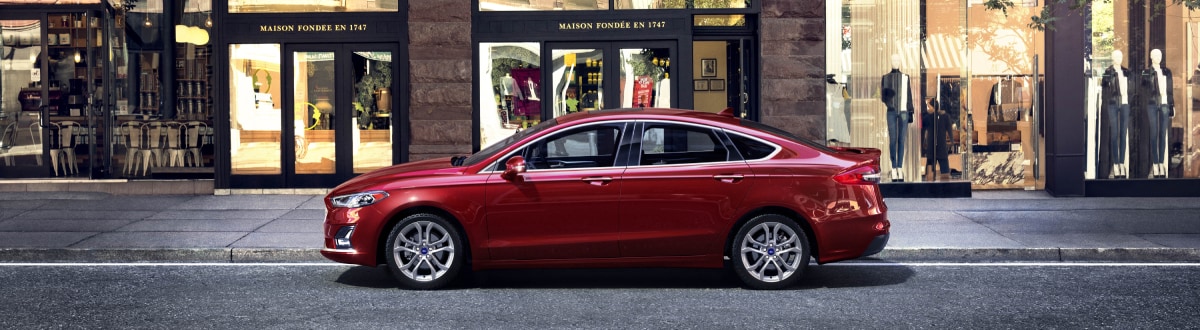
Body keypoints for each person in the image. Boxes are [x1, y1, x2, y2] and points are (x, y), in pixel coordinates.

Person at [880, 54, 915, 182]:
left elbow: (909, 95)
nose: (895, 62)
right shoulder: (886, 78)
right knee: (893, 140)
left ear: (900, 61)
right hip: (891, 111)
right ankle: (893, 167)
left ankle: (900, 167)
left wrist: (911, 111)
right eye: (893, 59)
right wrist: (890, 102)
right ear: (890, 61)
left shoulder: (906, 77)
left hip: (904, 112)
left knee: (901, 140)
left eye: (897, 60)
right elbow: (883, 96)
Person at [1141, 49, 1174, 178]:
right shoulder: (1146, 72)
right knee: (1154, 134)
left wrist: (1172, 105)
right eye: (1155, 55)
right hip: (1152, 105)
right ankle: (1155, 163)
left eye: (1160, 55)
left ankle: (1161, 163)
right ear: (1150, 57)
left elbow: (1170, 90)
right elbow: (1143, 91)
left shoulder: (1167, 72)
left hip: (1165, 104)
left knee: (1162, 134)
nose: (1158, 57)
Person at [1100, 50, 1131, 179]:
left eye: (1120, 56)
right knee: (1114, 134)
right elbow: (1105, 89)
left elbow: (1131, 88)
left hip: (1124, 104)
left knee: (1123, 134)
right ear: (1112, 58)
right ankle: (1115, 163)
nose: (1118, 58)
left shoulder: (1126, 72)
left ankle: (1122, 163)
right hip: (1112, 104)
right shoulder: (1108, 72)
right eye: (1116, 56)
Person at [922, 97, 952, 181]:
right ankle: (945, 185)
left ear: (932, 107)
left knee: (932, 168)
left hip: (933, 147)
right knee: (943, 167)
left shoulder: (928, 117)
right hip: (939, 146)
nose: (928, 108)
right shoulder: (944, 116)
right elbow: (949, 130)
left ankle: (931, 183)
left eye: (929, 106)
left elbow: (923, 125)